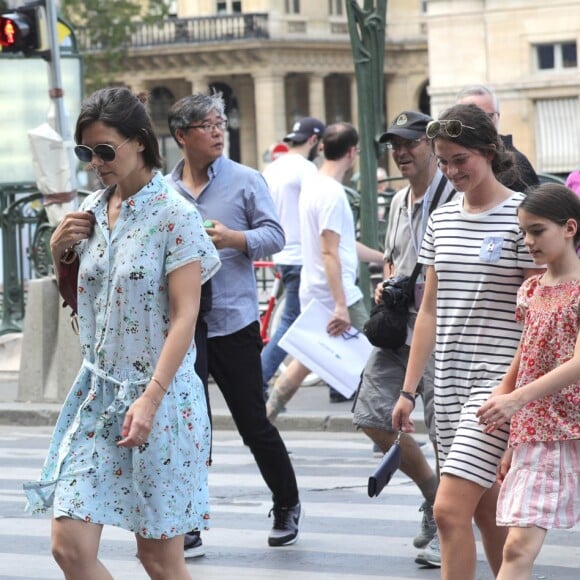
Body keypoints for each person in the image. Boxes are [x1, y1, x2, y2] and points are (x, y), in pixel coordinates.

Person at [23, 87, 220, 580]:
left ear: (139, 142)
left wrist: (151, 399)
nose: (95, 162)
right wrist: (58, 252)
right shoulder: (90, 209)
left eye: (105, 151)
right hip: (96, 396)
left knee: (158, 558)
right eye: (85, 153)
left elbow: (185, 317)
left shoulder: (175, 215)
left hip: (162, 401)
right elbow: (85, 304)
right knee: (69, 547)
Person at [392, 103, 543, 580]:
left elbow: (539, 314)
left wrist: (513, 392)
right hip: (449, 382)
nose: (452, 170)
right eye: (443, 160)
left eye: (461, 159)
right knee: (484, 511)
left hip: (496, 384)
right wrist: (408, 388)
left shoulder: (522, 220)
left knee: (447, 510)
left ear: (489, 152)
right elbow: (430, 311)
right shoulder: (440, 220)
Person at [166, 91, 303, 552]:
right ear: (182, 136)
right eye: (206, 125)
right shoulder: (164, 190)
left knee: (252, 422)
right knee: (189, 427)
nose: (218, 131)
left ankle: (287, 502)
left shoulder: (245, 180)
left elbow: (276, 237)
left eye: (221, 123)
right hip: (183, 327)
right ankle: (187, 519)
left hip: (234, 321)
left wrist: (234, 238)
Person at [352, 110, 457, 568]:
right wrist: (387, 280)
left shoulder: (455, 197)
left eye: (410, 143)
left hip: (441, 329)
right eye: (394, 145)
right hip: (398, 327)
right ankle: (433, 495)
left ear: (431, 147)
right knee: (372, 415)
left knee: (443, 432)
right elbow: (396, 259)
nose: (401, 152)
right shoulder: (397, 203)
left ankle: (447, 527)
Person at [476, 184, 580, 580]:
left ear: (569, 227)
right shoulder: (531, 290)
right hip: (539, 430)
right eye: (524, 232)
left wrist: (515, 400)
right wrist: (505, 407)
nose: (528, 241)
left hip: (563, 419)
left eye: (537, 231)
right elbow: (527, 354)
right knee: (517, 545)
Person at [266, 122, 383, 419]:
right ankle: (383, 433)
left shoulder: (313, 186)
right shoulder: (331, 193)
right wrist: (341, 305)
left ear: (322, 148)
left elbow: (339, 244)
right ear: (353, 152)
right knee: (377, 362)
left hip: (315, 288)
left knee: (304, 361)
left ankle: (263, 420)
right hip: (336, 293)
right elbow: (330, 250)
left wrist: (381, 257)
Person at [261, 116, 325, 398]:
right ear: (314, 141)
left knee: (308, 319)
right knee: (295, 321)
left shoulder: (271, 169)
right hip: (302, 254)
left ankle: (338, 383)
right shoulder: (308, 170)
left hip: (280, 252)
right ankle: (259, 378)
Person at [456, 84, 540, 193]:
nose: (478, 123)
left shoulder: (516, 164)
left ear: (498, 117)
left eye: (487, 116)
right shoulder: (446, 161)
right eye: (468, 117)